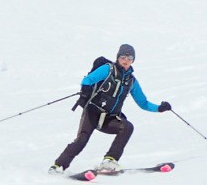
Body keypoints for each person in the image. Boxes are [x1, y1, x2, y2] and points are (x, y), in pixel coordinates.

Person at [49, 43, 171, 174]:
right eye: (123, 57)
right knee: (82, 140)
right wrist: (85, 90)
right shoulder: (107, 69)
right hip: (92, 112)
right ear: (118, 57)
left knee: (127, 127)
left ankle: (110, 160)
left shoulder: (131, 81)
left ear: (133, 61)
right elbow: (88, 80)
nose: (126, 61)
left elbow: (143, 103)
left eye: (130, 58)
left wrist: (159, 108)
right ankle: (58, 166)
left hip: (109, 118)